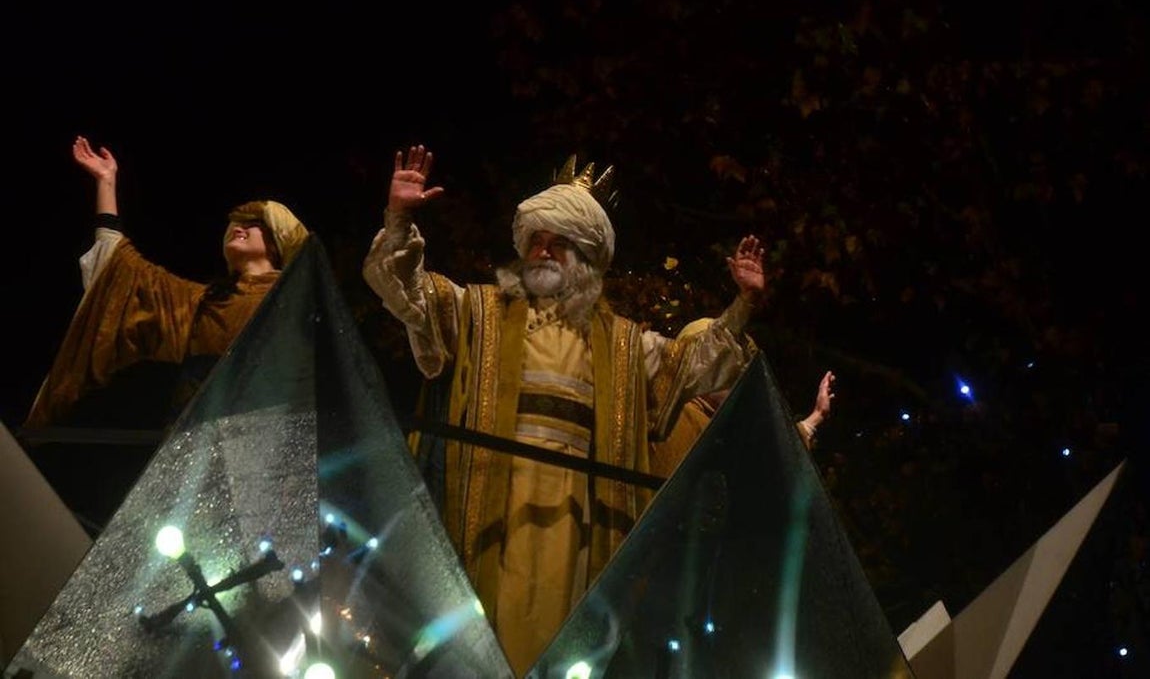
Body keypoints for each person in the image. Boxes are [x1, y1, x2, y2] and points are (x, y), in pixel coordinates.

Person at [362, 144, 766, 675]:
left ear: (588, 258)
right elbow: (404, 289)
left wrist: (743, 305)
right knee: (483, 628)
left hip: (578, 509)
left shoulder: (624, 344)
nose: (545, 253)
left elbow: (691, 368)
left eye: (561, 244)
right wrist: (399, 219)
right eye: (538, 242)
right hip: (490, 493)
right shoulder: (479, 310)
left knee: (559, 627)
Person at [22, 136, 309, 432]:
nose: (240, 227)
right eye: (237, 222)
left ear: (277, 242)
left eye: (254, 223)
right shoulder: (204, 302)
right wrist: (106, 182)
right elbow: (125, 274)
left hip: (272, 431)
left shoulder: (297, 299)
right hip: (200, 434)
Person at [648, 317, 835, 478]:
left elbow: (766, 456)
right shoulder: (673, 417)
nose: (738, 377)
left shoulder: (721, 424)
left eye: (742, 369)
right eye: (730, 365)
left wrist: (816, 417)